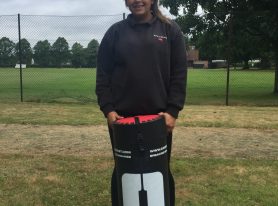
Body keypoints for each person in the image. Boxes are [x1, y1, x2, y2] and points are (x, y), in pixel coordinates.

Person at [96, 0, 187, 205]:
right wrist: (108, 110)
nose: (137, 1)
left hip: (159, 120)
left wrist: (172, 111)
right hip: (121, 120)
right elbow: (102, 77)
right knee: (124, 170)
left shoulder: (170, 30)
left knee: (159, 170)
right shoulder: (115, 33)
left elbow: (179, 75)